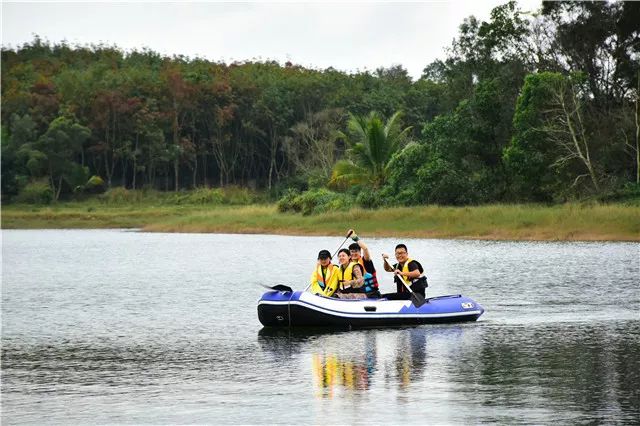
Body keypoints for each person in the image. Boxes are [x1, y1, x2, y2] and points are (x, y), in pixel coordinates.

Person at [347, 229, 381, 298]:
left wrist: (355, 238)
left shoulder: (365, 260)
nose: (354, 253)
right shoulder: (348, 264)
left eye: (356, 251)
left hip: (371, 294)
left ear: (360, 252)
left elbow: (365, 249)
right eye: (352, 252)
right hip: (357, 294)